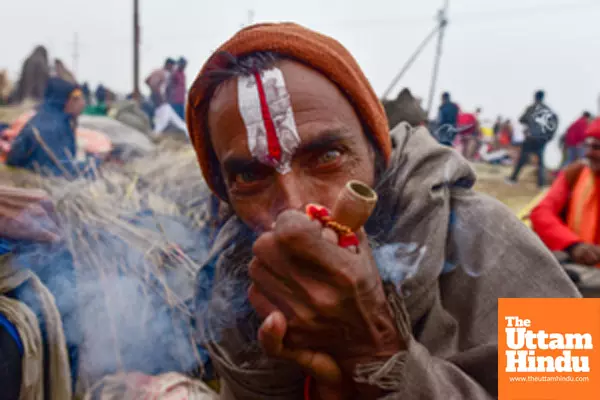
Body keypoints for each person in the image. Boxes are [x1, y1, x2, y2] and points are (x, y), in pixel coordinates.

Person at [187, 23, 578, 399]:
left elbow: (576, 390)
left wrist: (377, 355)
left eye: (328, 156)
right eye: (251, 176)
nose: (294, 212)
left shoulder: (483, 235)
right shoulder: (233, 282)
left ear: (375, 152)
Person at [531, 118, 600, 266]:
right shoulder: (575, 173)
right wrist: (573, 245)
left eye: (596, 147)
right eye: (587, 145)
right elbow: (541, 212)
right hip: (580, 267)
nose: (588, 153)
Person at [6, 77, 87, 178]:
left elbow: (14, 157)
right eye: (76, 99)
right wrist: (93, 165)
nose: (83, 103)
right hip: (41, 186)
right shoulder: (53, 129)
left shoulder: (42, 119)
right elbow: (62, 171)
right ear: (65, 100)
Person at [506, 90, 559, 187]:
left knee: (523, 158)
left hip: (531, 138)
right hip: (541, 139)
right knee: (540, 162)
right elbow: (554, 123)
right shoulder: (548, 110)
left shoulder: (531, 108)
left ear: (535, 97)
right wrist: (548, 138)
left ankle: (513, 178)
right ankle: (541, 183)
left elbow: (521, 119)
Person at [146, 58, 188, 137]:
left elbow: (147, 81)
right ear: (169, 65)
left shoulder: (157, 71)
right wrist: (160, 98)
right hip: (161, 103)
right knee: (162, 123)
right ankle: (154, 136)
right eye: (172, 66)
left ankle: (187, 133)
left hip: (162, 104)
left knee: (177, 121)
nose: (173, 68)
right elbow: (154, 85)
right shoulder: (163, 73)